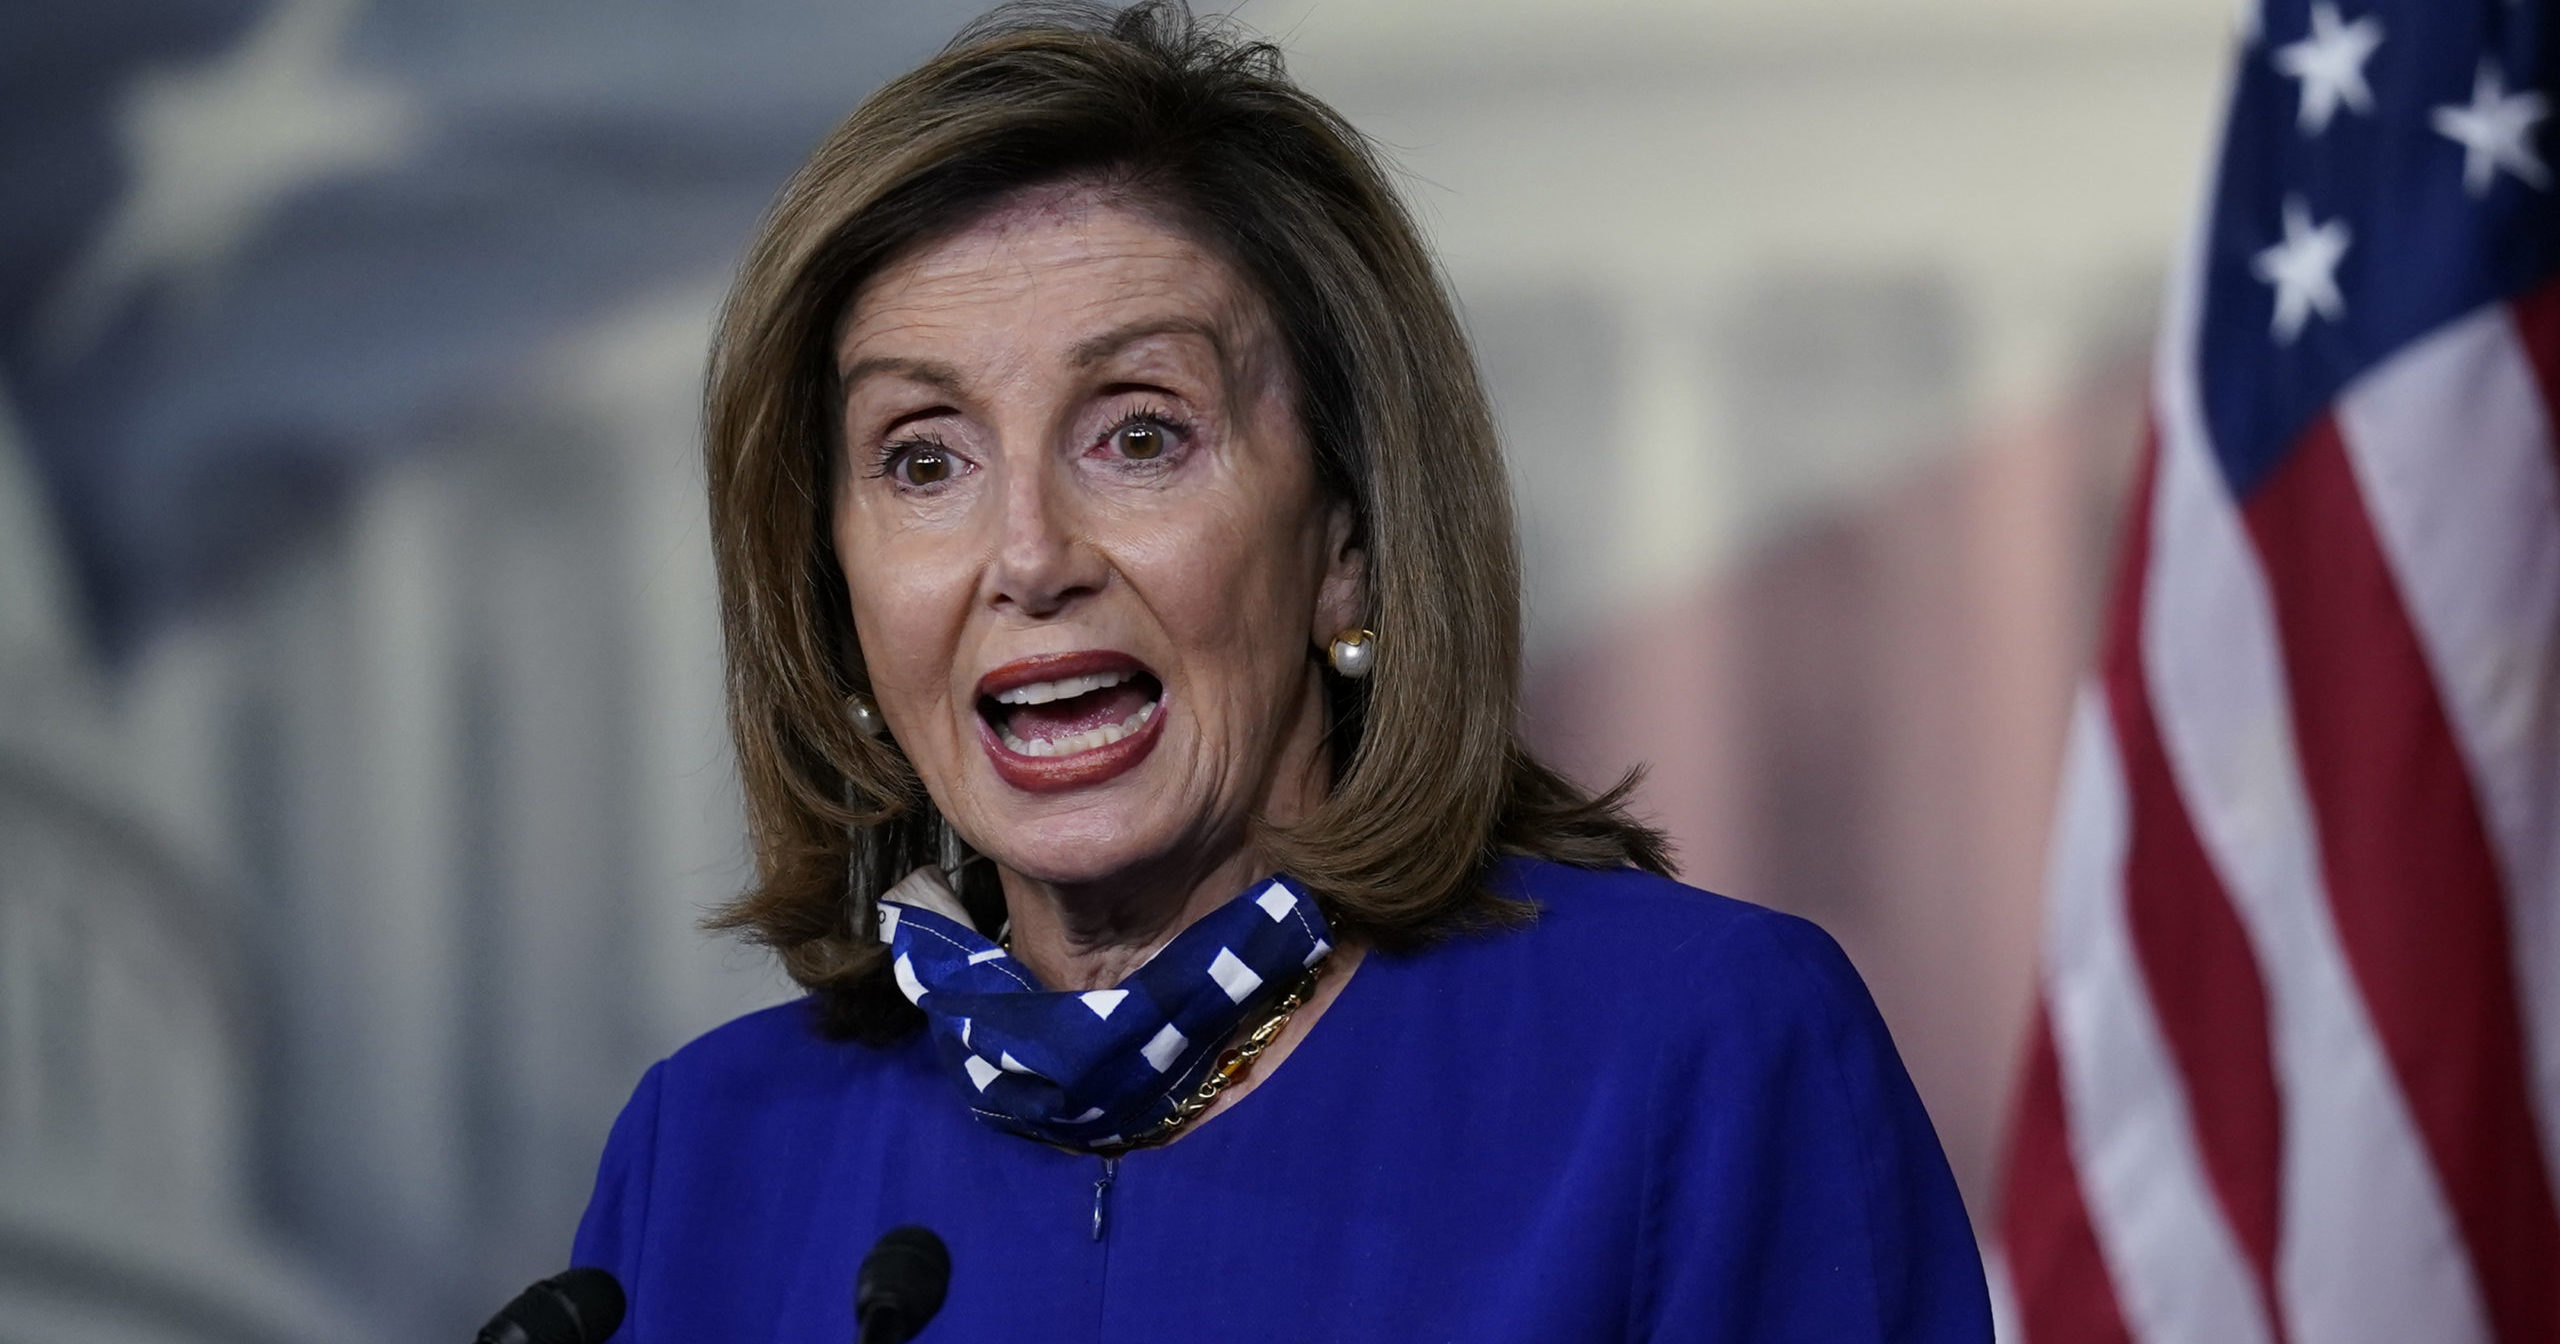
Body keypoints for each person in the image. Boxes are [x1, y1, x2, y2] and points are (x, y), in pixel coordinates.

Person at [571, 4, 1992, 1339]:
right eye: (923, 459)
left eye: (1139, 435)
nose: (1027, 555)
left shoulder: (1697, 1060)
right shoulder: (706, 1159)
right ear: (836, 597)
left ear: (1348, 547)